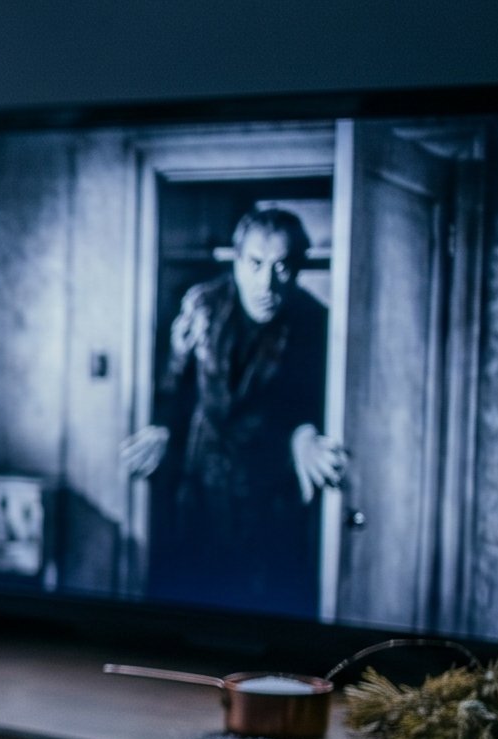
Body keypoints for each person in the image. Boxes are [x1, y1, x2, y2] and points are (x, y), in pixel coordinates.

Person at [121, 205, 346, 616]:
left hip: (270, 491)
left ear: (297, 268)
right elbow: (175, 386)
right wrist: (162, 428)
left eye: (282, 267)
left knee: (264, 606)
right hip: (200, 482)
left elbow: (312, 403)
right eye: (255, 264)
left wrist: (305, 434)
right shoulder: (202, 305)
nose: (266, 283)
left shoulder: (315, 321)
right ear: (237, 261)